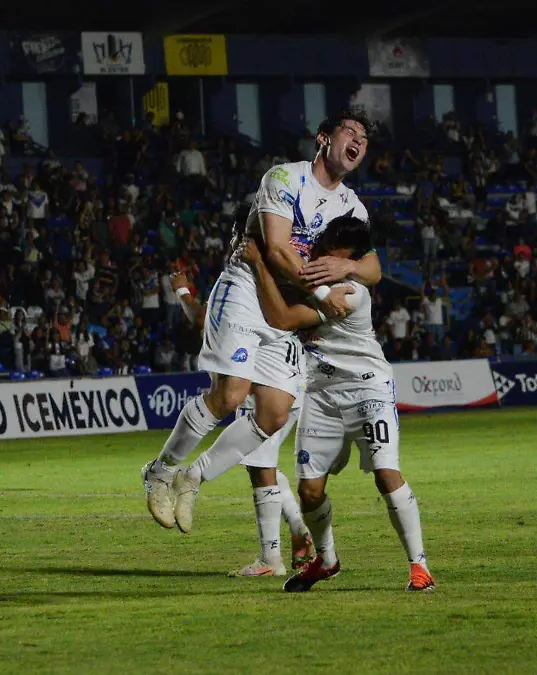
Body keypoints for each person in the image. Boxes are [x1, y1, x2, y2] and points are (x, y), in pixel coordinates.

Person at [141, 109, 380, 535]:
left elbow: (374, 268)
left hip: (284, 309)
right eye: (350, 131)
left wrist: (346, 268)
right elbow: (276, 250)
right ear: (323, 138)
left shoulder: (352, 207)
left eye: (364, 137)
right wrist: (323, 292)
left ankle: (191, 477)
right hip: (247, 289)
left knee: (273, 414)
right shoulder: (285, 178)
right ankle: (160, 471)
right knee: (230, 394)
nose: (358, 141)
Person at [242, 217, 435, 593]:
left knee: (386, 475)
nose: (324, 259)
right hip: (321, 394)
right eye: (324, 249)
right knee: (309, 490)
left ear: (351, 260)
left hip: (368, 390)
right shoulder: (316, 278)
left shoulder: (349, 292)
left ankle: (420, 566)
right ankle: (326, 561)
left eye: (335, 255)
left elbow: (282, 318)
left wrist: (260, 264)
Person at [169, 262, 315, 576]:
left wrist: (181, 291)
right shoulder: (273, 291)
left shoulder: (240, 297)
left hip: (266, 384)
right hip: (294, 381)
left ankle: (271, 559)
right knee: (263, 464)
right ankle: (298, 531)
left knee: (261, 469)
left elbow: (199, 317)